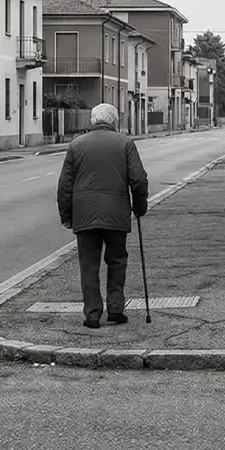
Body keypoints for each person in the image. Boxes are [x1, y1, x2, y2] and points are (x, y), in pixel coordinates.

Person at [57, 103, 149, 329]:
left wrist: (67, 214)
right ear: (115, 122)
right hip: (116, 214)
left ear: (92, 121)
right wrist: (139, 207)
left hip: (85, 215)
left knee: (88, 264)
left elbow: (64, 185)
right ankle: (116, 309)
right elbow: (138, 180)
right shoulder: (126, 143)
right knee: (117, 261)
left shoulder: (76, 145)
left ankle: (92, 314)